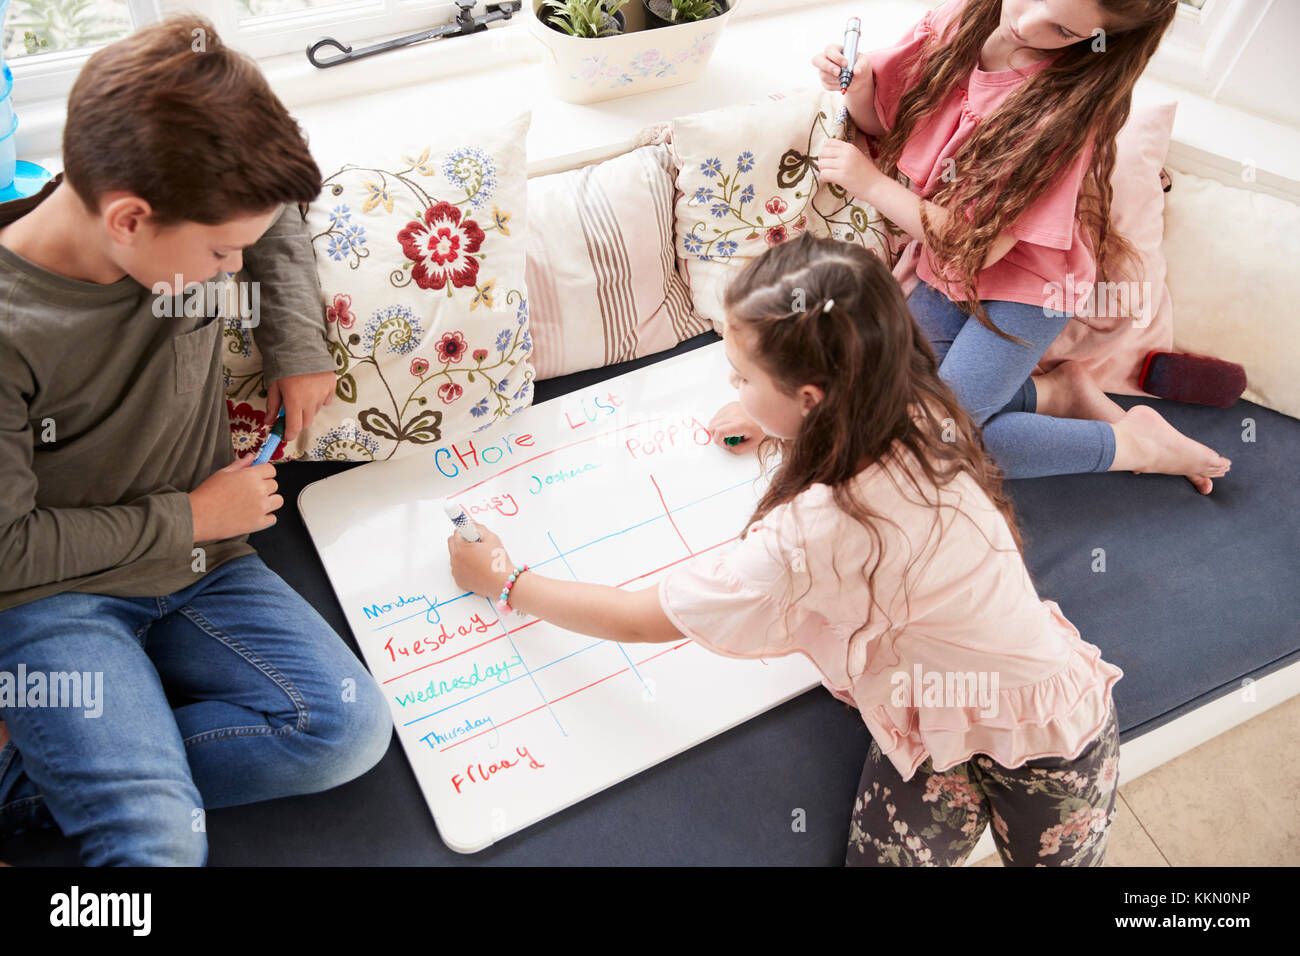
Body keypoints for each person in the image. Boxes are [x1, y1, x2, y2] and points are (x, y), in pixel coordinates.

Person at [448, 233, 1123, 866]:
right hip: (926, 707)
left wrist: (507, 581)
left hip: (1047, 735)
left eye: (743, 379)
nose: (732, 389)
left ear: (811, 397)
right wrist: (782, 423)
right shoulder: (916, 400)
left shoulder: (819, 529)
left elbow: (639, 619)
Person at [0, 15, 391, 865]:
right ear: (131, 219)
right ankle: (107, 790)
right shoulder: (11, 328)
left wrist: (294, 335)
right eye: (221, 255)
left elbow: (270, 206)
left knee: (346, 731)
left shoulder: (173, 219)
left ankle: (40, 785)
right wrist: (191, 516)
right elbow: (6, 550)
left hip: (206, 572)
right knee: (156, 843)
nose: (230, 274)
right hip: (56, 599)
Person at [802, 0, 1230, 492]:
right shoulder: (960, 20)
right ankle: (1052, 395)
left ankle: (1137, 446)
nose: (1026, 25)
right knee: (885, 393)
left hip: (1025, 287)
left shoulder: (1062, 113)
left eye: (1063, 29)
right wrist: (859, 91)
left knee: (932, 440)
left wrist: (873, 184)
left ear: (1098, 40)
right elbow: (888, 122)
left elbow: (980, 249)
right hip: (944, 270)